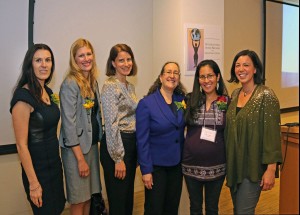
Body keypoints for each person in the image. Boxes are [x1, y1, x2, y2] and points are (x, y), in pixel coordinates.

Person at [10, 44, 65, 214]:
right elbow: (21, 145)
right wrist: (33, 184)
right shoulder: (22, 98)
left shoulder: (47, 92)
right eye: (38, 60)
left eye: (48, 60)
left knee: (58, 208)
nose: (44, 65)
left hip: (54, 166)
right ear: (30, 65)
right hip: (37, 172)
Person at [225, 49, 282, 214]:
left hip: (253, 169)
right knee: (238, 210)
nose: (241, 69)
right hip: (235, 166)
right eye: (237, 65)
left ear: (255, 69)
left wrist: (271, 170)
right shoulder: (235, 94)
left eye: (246, 65)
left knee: (244, 211)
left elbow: (272, 135)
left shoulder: (266, 95)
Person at [136, 62, 186, 215]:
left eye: (176, 73)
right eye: (168, 72)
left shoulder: (182, 100)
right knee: (154, 209)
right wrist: (146, 170)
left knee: (171, 208)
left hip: (176, 165)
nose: (172, 76)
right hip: (156, 168)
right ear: (161, 77)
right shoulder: (147, 103)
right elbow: (142, 140)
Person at [59, 38, 103, 215]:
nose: (86, 58)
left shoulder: (92, 81)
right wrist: (80, 159)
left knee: (87, 197)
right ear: (74, 60)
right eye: (81, 55)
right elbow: (69, 125)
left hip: (91, 147)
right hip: (76, 151)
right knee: (78, 200)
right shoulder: (70, 83)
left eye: (89, 54)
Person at [182, 60, 229, 215]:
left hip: (217, 166)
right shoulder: (189, 100)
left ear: (218, 77)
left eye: (210, 76)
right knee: (195, 207)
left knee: (212, 208)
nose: (206, 80)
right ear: (198, 79)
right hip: (191, 165)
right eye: (202, 77)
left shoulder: (227, 102)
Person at [100, 44, 138, 215]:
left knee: (128, 199)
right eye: (121, 60)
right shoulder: (110, 86)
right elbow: (111, 123)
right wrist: (118, 158)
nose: (126, 63)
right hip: (116, 146)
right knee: (118, 202)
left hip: (130, 144)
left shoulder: (130, 86)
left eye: (128, 59)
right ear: (113, 63)